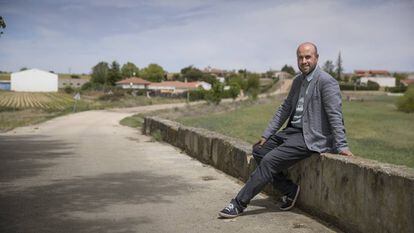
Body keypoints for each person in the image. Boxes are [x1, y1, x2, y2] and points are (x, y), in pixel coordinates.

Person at [218, 42, 353, 218]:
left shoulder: (327, 82)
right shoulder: (298, 81)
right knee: (259, 150)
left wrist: (342, 146)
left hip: (309, 136)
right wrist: (267, 134)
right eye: (300, 57)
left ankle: (238, 204)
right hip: (291, 131)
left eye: (308, 57)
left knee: (269, 161)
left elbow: (335, 115)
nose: (304, 61)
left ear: (316, 58)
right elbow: (285, 108)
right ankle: (289, 189)